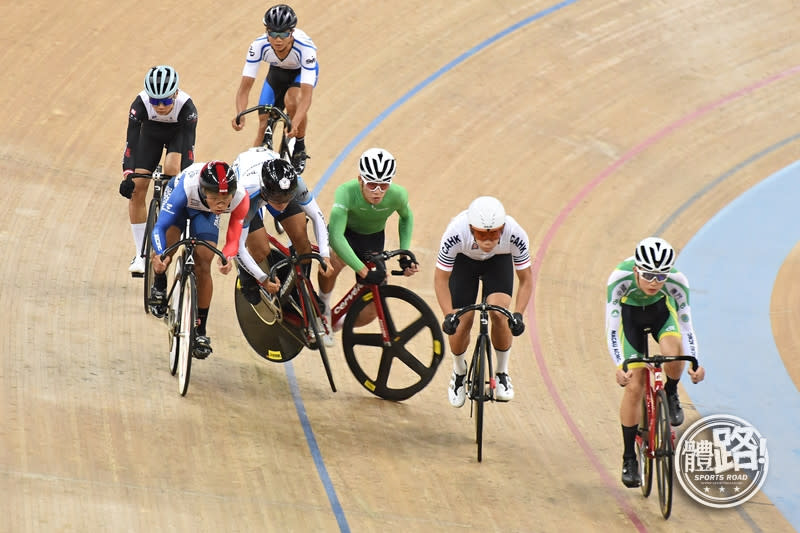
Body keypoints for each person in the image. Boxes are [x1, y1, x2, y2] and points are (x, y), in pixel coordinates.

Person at [605, 236, 706, 488]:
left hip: (661, 313)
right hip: (630, 320)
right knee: (634, 386)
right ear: (637, 269)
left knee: (674, 349)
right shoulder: (619, 279)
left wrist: (695, 361)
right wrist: (621, 365)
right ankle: (629, 458)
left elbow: (686, 326)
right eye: (648, 274)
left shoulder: (677, 281)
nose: (654, 282)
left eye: (661, 276)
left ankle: (670, 393)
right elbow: (611, 327)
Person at [435, 196, 531, 406]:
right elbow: (441, 279)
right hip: (464, 263)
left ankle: (502, 373)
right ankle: (459, 372)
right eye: (481, 234)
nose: (488, 240)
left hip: (498, 262)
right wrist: (448, 315)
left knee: (499, 313)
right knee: (461, 323)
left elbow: (526, 279)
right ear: (470, 228)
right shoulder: (455, 232)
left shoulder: (515, 233)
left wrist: (518, 314)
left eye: (494, 233)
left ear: (503, 228)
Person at [231, 151, 335, 344]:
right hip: (249, 185)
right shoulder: (245, 192)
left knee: (302, 242)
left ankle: (299, 287)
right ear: (265, 192)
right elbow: (236, 246)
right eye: (277, 202)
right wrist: (261, 279)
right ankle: (245, 276)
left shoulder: (295, 184)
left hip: (274, 182)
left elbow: (317, 216)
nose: (282, 206)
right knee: (260, 249)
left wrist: (324, 254)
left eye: (286, 200)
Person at [150, 161, 249, 358]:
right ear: (204, 191)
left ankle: (200, 330)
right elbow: (159, 228)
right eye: (215, 198)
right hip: (181, 201)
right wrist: (160, 253)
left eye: (225, 198)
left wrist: (227, 257)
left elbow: (233, 238)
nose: (221, 204)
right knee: (167, 248)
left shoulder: (240, 197)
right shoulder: (187, 188)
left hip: (204, 213)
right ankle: (159, 283)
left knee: (204, 263)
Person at [324, 148, 419, 329]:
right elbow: (336, 237)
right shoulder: (345, 192)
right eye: (372, 184)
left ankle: (335, 325)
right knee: (331, 263)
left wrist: (404, 255)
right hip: (345, 235)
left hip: (372, 240)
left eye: (384, 185)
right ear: (360, 179)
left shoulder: (398, 195)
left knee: (374, 306)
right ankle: (323, 306)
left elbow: (406, 217)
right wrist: (364, 272)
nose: (378, 191)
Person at [119, 65, 198, 274]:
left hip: (177, 136)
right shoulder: (139, 104)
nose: (160, 106)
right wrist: (128, 174)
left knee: (173, 169)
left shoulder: (187, 108)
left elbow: (189, 150)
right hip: (150, 136)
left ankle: (169, 213)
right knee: (136, 190)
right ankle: (141, 254)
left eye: (165, 101)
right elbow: (131, 143)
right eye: (155, 101)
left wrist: (185, 180)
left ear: (176, 94)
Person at [231, 4, 317, 174]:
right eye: (273, 33)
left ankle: (299, 146)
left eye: (283, 34)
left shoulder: (306, 48)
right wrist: (240, 113)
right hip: (277, 73)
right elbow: (244, 88)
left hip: (300, 74)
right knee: (263, 119)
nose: (278, 39)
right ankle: (249, 170)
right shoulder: (258, 45)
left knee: (292, 101)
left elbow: (306, 98)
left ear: (291, 32)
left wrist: (296, 124)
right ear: (266, 32)